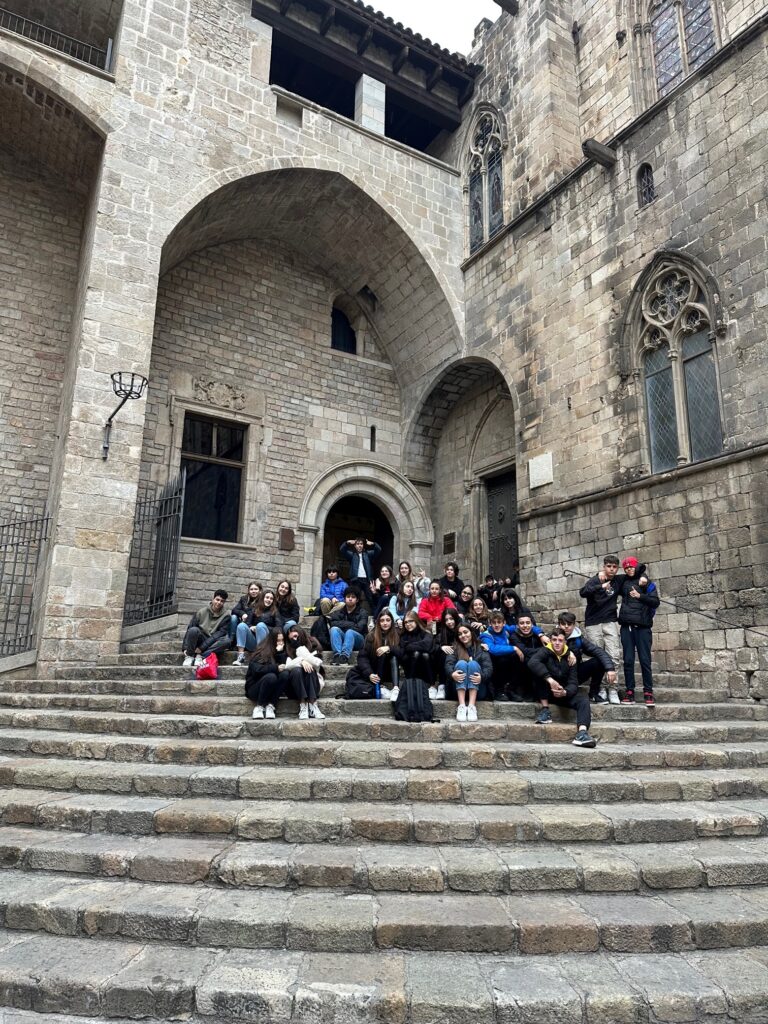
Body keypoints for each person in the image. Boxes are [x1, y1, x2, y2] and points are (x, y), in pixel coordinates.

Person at [578, 554, 633, 704]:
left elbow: (637, 570)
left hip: (610, 621)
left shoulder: (618, 580)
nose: (612, 569)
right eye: (609, 566)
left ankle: (612, 689)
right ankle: (601, 688)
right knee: (598, 657)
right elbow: (583, 592)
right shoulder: (596, 579)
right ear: (604, 567)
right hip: (593, 623)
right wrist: (599, 584)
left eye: (614, 567)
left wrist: (643, 579)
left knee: (614, 655)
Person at [528, 629, 597, 748]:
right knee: (538, 671)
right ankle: (545, 709)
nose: (557, 643)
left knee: (583, 700)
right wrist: (550, 680)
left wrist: (565, 692)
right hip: (546, 692)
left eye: (560, 640)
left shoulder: (570, 658)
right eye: (554, 640)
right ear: (550, 641)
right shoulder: (545, 651)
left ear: (565, 642)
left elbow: (573, 682)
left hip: (562, 693)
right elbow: (532, 662)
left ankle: (582, 733)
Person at [618, 557, 660, 706]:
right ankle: (630, 693)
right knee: (628, 660)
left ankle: (648, 693)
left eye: (631, 567)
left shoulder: (646, 583)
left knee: (645, 660)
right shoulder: (623, 581)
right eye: (626, 568)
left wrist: (640, 596)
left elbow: (655, 602)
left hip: (643, 627)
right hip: (627, 627)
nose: (629, 569)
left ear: (636, 567)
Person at [557, 611, 617, 704]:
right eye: (563, 624)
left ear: (574, 625)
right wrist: (568, 652)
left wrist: (610, 669)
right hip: (557, 675)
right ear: (559, 624)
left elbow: (598, 651)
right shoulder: (552, 638)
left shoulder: (579, 640)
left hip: (575, 675)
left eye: (569, 624)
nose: (566, 626)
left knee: (598, 661)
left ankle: (593, 694)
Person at [391, 611, 435, 722]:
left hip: (425, 669)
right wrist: (414, 648)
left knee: (425, 655)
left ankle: (432, 685)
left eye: (410, 621)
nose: (408, 624)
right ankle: (409, 683)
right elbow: (401, 652)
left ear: (416, 621)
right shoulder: (403, 636)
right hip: (410, 669)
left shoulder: (426, 633)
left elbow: (427, 646)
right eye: (405, 622)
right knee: (416, 653)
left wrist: (410, 646)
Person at [349, 609, 400, 700]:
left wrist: (389, 648)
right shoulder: (371, 636)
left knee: (393, 656)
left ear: (392, 621)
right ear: (378, 623)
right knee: (381, 653)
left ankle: (396, 688)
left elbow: (403, 651)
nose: (385, 623)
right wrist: (369, 674)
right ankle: (380, 686)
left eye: (388, 620)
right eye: (382, 620)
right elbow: (362, 657)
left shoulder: (398, 634)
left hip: (392, 670)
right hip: (376, 670)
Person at [446, 623, 493, 721]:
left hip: (478, 689)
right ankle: (462, 706)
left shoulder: (481, 647)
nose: (463, 635)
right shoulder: (454, 647)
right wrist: (452, 674)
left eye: (465, 632)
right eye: (460, 634)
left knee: (473, 664)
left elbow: (488, 668)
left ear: (471, 632)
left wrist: (482, 677)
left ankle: (472, 706)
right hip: (457, 690)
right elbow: (448, 664)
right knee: (461, 663)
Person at [480, 611, 526, 703]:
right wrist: (514, 648)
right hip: (493, 662)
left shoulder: (506, 629)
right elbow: (493, 649)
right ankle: (499, 690)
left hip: (506, 661)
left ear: (504, 623)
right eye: (494, 622)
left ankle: (511, 689)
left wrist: (540, 634)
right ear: (490, 623)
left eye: (499, 622)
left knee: (518, 657)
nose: (497, 625)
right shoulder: (486, 634)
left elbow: (523, 626)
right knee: (503, 659)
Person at [283, 625, 326, 719]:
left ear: (301, 634)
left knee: (310, 668)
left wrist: (299, 648)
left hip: (313, 682)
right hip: (295, 686)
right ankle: (303, 704)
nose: (294, 640)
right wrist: (302, 661)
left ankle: (313, 704)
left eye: (296, 636)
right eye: (291, 639)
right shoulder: (288, 647)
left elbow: (317, 663)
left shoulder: (312, 643)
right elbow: (287, 666)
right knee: (297, 670)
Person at [245, 628, 287, 719]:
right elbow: (257, 670)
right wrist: (275, 668)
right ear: (272, 640)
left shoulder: (283, 651)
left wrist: (279, 654)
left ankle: (271, 705)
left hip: (272, 689)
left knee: (285, 674)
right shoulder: (261, 651)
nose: (280, 643)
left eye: (282, 640)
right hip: (255, 687)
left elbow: (284, 667)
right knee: (271, 677)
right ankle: (259, 706)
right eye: (278, 640)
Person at [182, 590, 230, 666]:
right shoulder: (201, 612)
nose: (219, 602)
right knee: (193, 630)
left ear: (224, 602)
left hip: (212, 641)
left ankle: (201, 656)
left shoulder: (226, 615)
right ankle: (190, 656)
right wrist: (185, 648)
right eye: (217, 599)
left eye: (222, 601)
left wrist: (201, 648)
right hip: (200, 638)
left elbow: (220, 633)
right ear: (213, 599)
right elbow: (190, 628)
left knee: (226, 641)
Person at [328, 588, 368, 664]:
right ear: (345, 599)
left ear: (357, 600)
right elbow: (333, 623)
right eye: (348, 597)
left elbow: (359, 628)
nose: (350, 599)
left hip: (359, 640)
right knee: (334, 629)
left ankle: (344, 657)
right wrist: (350, 624)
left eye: (353, 597)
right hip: (344, 639)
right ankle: (337, 655)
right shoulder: (340, 612)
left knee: (350, 632)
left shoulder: (363, 612)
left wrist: (343, 625)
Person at [339, 538, 381, 602]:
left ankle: (374, 609)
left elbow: (378, 550)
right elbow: (342, 550)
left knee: (370, 598)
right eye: (357, 544)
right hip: (356, 580)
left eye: (361, 544)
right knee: (355, 597)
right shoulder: (352, 555)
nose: (359, 545)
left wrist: (373, 544)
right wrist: (347, 543)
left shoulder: (368, 554)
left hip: (367, 580)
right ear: (355, 546)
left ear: (363, 545)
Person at [432, 608, 460, 699]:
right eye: (446, 620)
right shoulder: (442, 632)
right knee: (442, 653)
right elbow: (433, 646)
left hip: (460, 657)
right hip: (444, 661)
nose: (449, 622)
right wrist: (441, 647)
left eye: (451, 619)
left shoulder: (462, 628)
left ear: (456, 618)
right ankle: (441, 685)